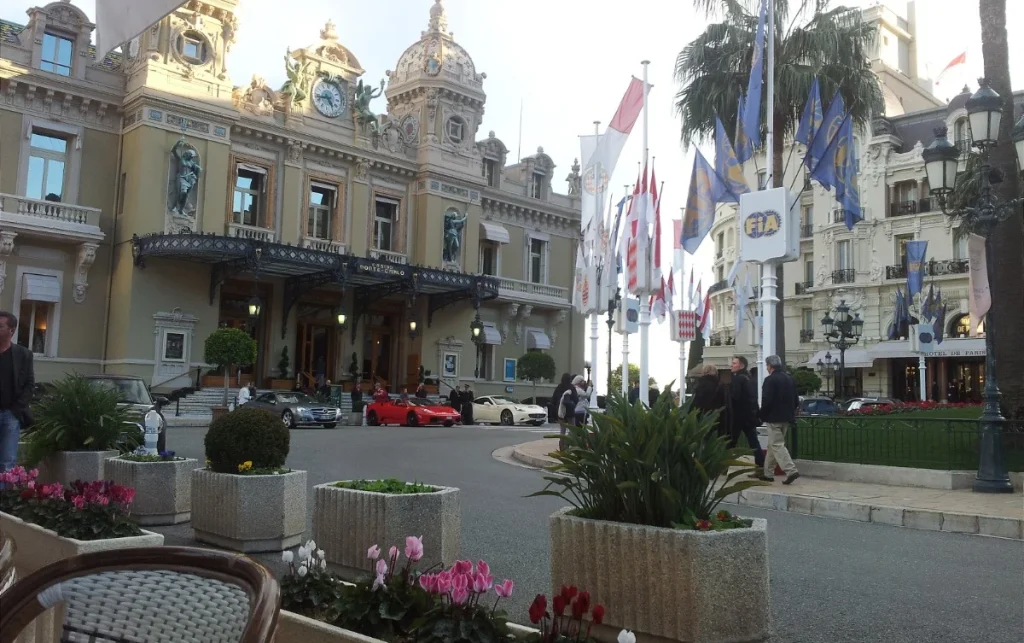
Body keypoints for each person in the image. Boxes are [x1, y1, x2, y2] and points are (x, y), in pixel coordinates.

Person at [0, 312, 34, 473]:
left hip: (10, 415)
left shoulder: (23, 355)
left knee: (7, 461)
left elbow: (29, 384)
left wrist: (16, 411)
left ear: (11, 330)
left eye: (0, 326)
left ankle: (4, 497)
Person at [758, 355, 800, 484]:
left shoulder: (770, 380)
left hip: (773, 418)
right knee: (773, 445)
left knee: (777, 445)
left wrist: (761, 415)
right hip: (786, 417)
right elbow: (796, 400)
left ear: (770, 366)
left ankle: (791, 470)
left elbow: (767, 401)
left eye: (767, 365)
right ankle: (768, 473)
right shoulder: (790, 379)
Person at [727, 356, 765, 469]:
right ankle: (760, 466)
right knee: (753, 442)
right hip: (749, 416)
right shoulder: (749, 378)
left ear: (741, 365)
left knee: (730, 442)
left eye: (734, 363)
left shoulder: (738, 379)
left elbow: (735, 397)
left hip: (739, 416)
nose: (731, 365)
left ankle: (723, 466)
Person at [692, 364, 727, 438]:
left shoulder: (700, 385)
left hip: (702, 416)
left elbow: (696, 402)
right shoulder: (721, 385)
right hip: (717, 416)